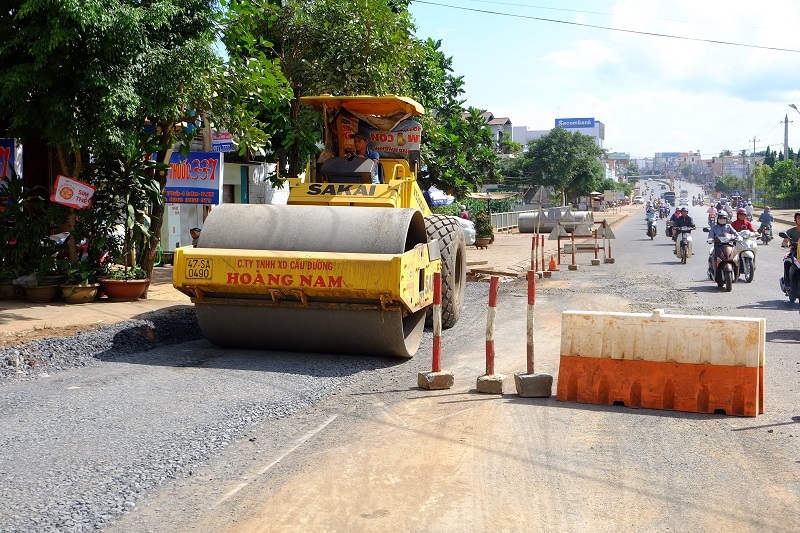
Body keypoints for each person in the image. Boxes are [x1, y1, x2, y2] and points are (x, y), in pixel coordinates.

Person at [780, 211, 800, 287]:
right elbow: (786, 240)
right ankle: (787, 283)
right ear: (795, 219)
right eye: (799, 218)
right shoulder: (791, 231)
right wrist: (786, 244)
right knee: (787, 262)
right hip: (793, 254)